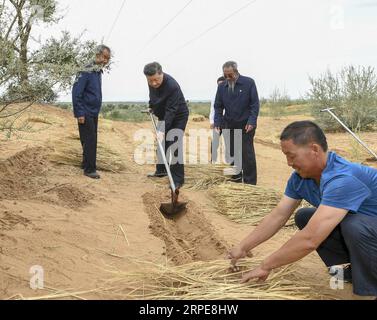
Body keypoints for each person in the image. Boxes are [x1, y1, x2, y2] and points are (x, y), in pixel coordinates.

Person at [228, 121, 377, 297]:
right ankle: (346, 270)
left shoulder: (343, 179)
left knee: (354, 225)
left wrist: (265, 266)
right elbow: (279, 215)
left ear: (314, 149)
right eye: (286, 156)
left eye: (292, 156)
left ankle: (369, 290)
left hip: (367, 229)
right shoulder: (300, 178)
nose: (289, 163)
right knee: (304, 216)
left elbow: (311, 238)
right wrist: (243, 247)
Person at [144, 62, 189, 189]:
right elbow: (153, 96)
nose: (153, 83)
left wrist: (162, 130)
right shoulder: (152, 81)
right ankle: (161, 170)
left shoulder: (172, 86)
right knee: (160, 143)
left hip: (178, 116)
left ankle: (178, 180)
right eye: (150, 80)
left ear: (161, 73)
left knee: (173, 145)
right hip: (164, 115)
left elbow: (172, 110)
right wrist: (151, 107)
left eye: (156, 80)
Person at [214, 61, 260, 184]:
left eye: (230, 75)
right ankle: (235, 181)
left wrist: (252, 121)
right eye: (225, 75)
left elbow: (255, 105)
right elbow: (218, 107)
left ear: (236, 72)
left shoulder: (249, 83)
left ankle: (250, 184)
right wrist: (217, 123)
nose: (228, 78)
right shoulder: (221, 86)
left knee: (247, 155)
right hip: (229, 125)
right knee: (232, 154)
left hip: (246, 126)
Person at [72, 45, 111, 179]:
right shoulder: (86, 69)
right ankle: (89, 169)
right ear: (97, 55)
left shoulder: (97, 71)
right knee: (90, 140)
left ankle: (85, 163)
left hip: (93, 111)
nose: (106, 61)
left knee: (88, 139)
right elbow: (76, 92)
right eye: (104, 57)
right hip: (86, 111)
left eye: (108, 58)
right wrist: (80, 113)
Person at [209, 76, 226, 163]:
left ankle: (230, 161)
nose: (220, 86)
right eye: (219, 85)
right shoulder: (215, 96)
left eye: (222, 84)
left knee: (229, 142)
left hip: (228, 122)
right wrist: (212, 121)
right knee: (215, 141)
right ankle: (213, 159)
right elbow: (212, 109)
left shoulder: (231, 95)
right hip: (217, 122)